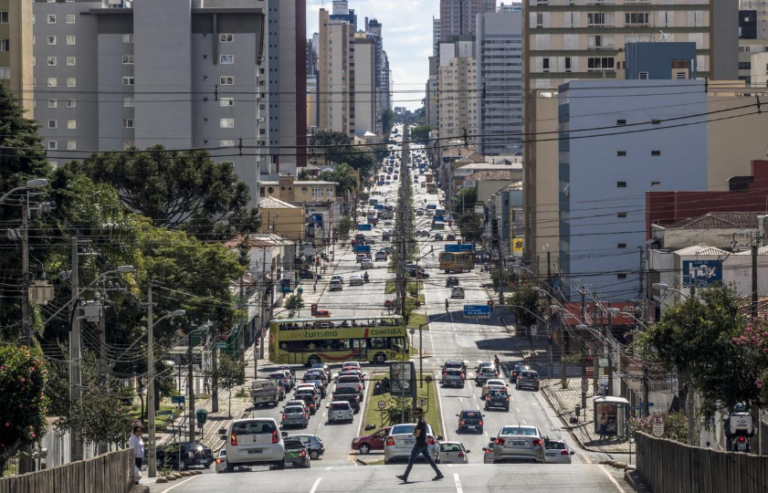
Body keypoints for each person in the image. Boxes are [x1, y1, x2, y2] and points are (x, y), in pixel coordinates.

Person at [396, 407, 443, 483]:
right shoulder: (423, 421)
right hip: (424, 444)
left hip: (419, 445)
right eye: (415, 413)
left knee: (411, 459)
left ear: (421, 413)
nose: (416, 414)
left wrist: (414, 431)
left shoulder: (421, 422)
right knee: (429, 459)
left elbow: (417, 435)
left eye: (417, 413)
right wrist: (416, 429)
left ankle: (405, 476)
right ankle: (439, 473)